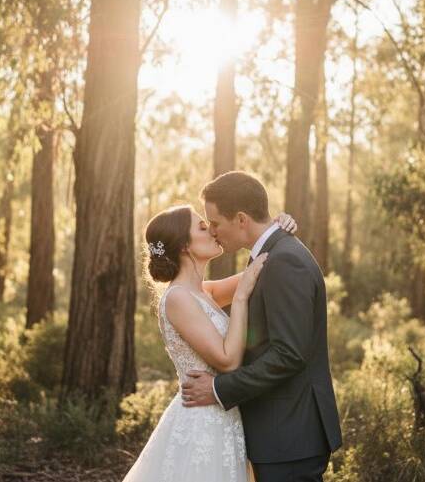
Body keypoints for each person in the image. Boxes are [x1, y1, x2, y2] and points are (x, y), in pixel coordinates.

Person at [182, 170, 342, 482]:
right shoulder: (270, 255)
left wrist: (217, 389)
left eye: (215, 222)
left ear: (241, 219)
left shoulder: (284, 261)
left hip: (290, 435)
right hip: (280, 433)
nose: (212, 231)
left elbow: (288, 354)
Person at [121, 201, 297, 482]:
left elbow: (264, 265)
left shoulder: (205, 292)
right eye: (203, 227)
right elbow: (227, 361)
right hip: (200, 424)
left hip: (224, 417)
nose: (213, 232)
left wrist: (276, 228)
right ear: (184, 246)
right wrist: (240, 299)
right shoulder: (177, 298)